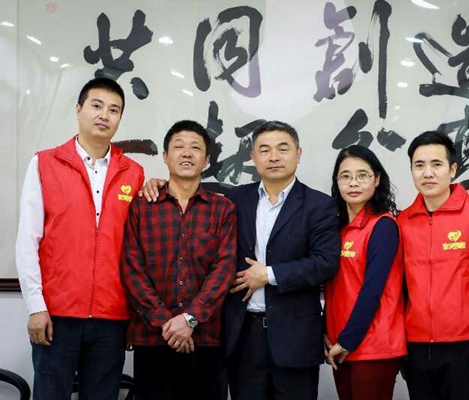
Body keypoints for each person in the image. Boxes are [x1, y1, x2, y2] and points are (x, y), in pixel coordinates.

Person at [140, 120, 340, 400]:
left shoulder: (320, 205)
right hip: (243, 336)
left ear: (298, 153)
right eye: (265, 150)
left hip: (295, 336)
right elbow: (186, 193)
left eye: (283, 149)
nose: (273, 157)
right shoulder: (235, 199)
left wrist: (269, 274)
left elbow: (325, 263)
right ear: (253, 157)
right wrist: (159, 183)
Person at [15, 77, 144, 400]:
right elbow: (28, 240)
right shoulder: (44, 163)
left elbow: (134, 247)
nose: (104, 115)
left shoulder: (133, 172)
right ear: (78, 109)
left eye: (114, 110)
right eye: (96, 106)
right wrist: (35, 306)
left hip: (112, 316)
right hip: (56, 314)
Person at [121, 120, 236, 400]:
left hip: (206, 339)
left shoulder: (222, 208)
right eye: (179, 146)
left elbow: (224, 270)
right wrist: (167, 323)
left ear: (206, 160)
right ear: (165, 156)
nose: (187, 153)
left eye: (195, 148)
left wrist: (190, 319)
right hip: (153, 338)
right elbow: (132, 269)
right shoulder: (141, 206)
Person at [398, 131, 469, 400]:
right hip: (416, 348)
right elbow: (398, 288)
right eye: (419, 165)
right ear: (411, 170)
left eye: (436, 164)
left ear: (453, 169)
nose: (427, 173)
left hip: (467, 347)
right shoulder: (402, 222)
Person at [324, 145, 406, 400]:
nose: (353, 183)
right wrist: (327, 332)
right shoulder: (336, 228)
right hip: (339, 344)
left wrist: (347, 340)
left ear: (377, 179)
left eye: (362, 175)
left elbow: (372, 290)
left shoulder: (382, 226)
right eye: (345, 176)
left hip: (373, 346)